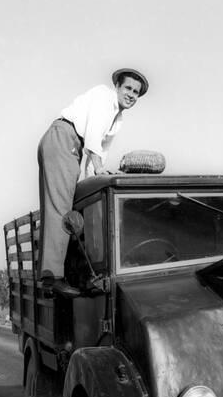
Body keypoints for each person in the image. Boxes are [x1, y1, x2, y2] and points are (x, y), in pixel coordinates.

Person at [37, 68, 149, 297]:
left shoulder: (117, 119)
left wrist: (96, 179)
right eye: (128, 88)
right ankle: (52, 277)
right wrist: (98, 166)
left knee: (78, 208)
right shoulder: (104, 97)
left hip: (73, 146)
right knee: (61, 208)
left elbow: (99, 154)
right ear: (117, 86)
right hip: (64, 137)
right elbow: (93, 137)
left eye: (136, 92)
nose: (131, 95)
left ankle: (80, 274)